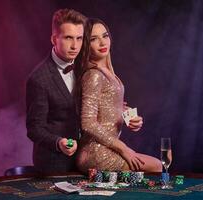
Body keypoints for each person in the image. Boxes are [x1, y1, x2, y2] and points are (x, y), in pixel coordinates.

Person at [76, 18, 162, 173]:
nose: (102, 43)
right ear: (86, 45)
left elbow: (108, 105)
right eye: (94, 39)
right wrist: (123, 148)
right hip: (96, 152)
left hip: (106, 147)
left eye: (105, 36)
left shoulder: (107, 72)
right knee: (156, 165)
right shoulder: (93, 74)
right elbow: (87, 123)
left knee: (155, 166)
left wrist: (129, 116)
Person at [26, 9, 86, 173]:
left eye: (79, 38)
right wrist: (58, 142)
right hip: (53, 164)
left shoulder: (85, 68)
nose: (75, 45)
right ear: (54, 39)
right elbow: (34, 129)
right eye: (68, 38)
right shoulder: (38, 79)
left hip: (85, 160)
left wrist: (123, 113)